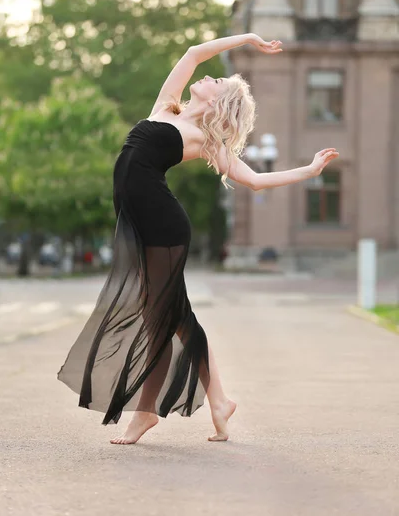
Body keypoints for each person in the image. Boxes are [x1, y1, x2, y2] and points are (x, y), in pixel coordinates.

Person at [57, 33, 339, 445]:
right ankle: (218, 403)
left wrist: (308, 171)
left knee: (163, 319)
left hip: (162, 224)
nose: (208, 77)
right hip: (138, 220)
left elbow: (255, 180)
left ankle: (154, 412)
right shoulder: (166, 106)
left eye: (217, 82)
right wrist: (248, 39)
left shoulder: (207, 139)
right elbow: (192, 52)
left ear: (220, 101)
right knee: (171, 318)